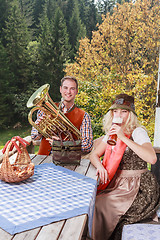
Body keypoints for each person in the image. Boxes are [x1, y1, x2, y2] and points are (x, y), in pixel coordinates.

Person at [90, 93, 160, 240]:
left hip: (138, 186)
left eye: (124, 111)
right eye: (116, 111)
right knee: (91, 201)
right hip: (118, 183)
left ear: (131, 114)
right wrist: (100, 167)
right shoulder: (112, 132)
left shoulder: (138, 131)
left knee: (101, 205)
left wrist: (123, 137)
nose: (119, 115)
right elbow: (94, 155)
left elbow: (152, 158)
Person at [31, 76, 93, 155]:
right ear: (60, 89)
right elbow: (34, 136)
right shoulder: (45, 110)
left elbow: (88, 145)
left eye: (72, 89)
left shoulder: (84, 116)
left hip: (68, 161)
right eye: (65, 88)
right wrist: (39, 129)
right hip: (44, 158)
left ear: (77, 91)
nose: (68, 91)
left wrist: (63, 145)